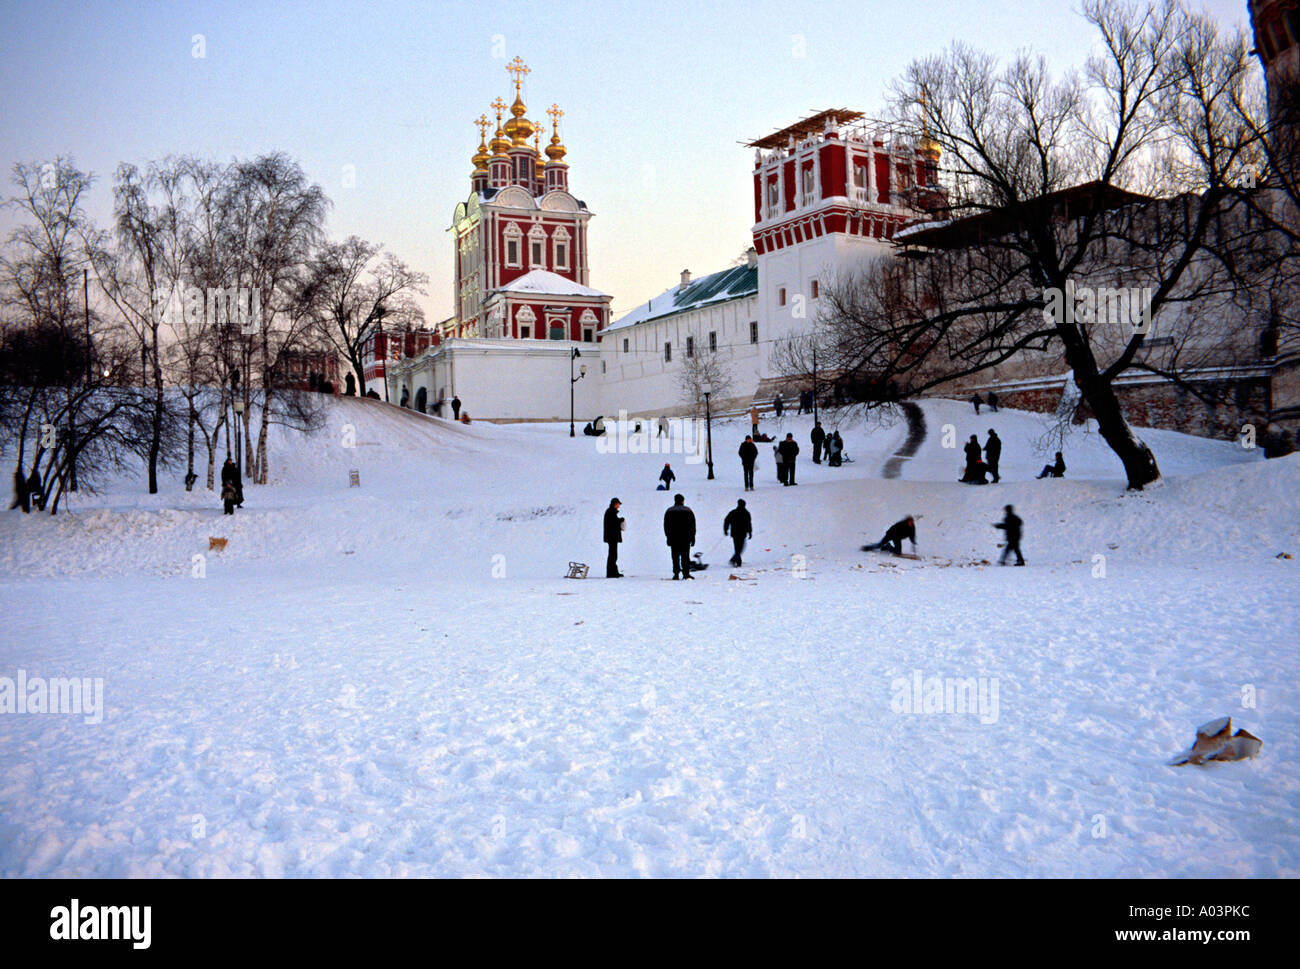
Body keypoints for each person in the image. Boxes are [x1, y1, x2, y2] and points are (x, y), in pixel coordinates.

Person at [663, 493, 696, 579]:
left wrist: (668, 537)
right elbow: (692, 525)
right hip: (686, 537)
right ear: (682, 501)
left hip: (674, 538)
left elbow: (666, 525)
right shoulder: (688, 510)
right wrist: (693, 537)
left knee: (675, 556)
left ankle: (676, 573)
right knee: (685, 556)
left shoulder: (669, 511)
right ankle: (686, 573)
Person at [724, 499, 753, 567]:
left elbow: (727, 520)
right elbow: (749, 524)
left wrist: (726, 529)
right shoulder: (746, 513)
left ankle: (737, 561)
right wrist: (750, 532)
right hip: (742, 533)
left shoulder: (733, 512)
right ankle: (735, 560)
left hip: (735, 532)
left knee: (737, 547)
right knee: (740, 547)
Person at [604, 498, 624, 577]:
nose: (619, 506)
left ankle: (613, 572)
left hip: (611, 537)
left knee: (613, 554)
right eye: (618, 504)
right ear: (615, 504)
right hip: (612, 537)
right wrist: (620, 520)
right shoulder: (611, 512)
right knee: (613, 555)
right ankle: (611, 573)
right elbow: (613, 524)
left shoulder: (610, 512)